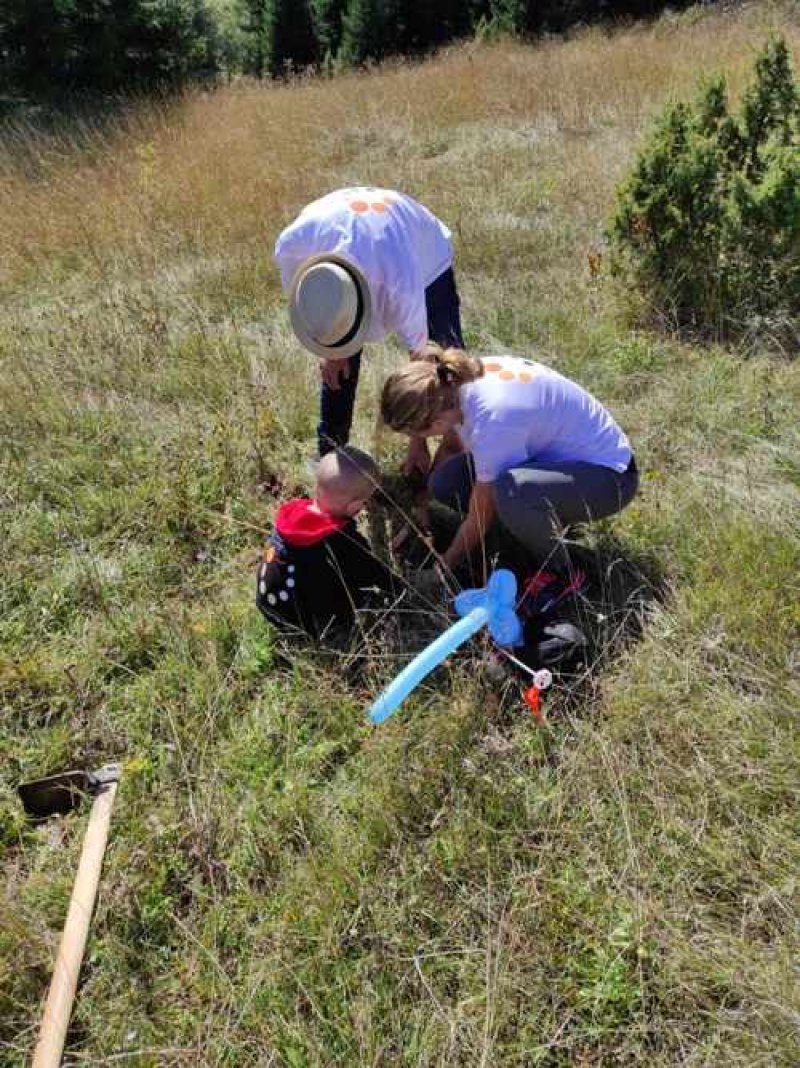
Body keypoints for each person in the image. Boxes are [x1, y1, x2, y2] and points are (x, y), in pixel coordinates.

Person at [380, 346, 639, 577]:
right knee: (445, 482)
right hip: (559, 463)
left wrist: (442, 569)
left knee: (512, 492)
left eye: (417, 434)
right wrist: (422, 507)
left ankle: (561, 572)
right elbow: (450, 447)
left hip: (610, 479)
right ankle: (528, 526)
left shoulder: (493, 420)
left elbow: (480, 515)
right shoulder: (454, 384)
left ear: (434, 423)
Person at [274, 187, 463, 465]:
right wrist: (332, 352)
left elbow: (423, 367)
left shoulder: (400, 287)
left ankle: (454, 447)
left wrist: (418, 441)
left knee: (447, 355)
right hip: (352, 223)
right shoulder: (293, 251)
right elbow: (321, 312)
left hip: (424, 254)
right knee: (337, 368)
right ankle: (331, 454)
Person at [256, 447, 402, 641]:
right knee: (359, 586)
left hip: (268, 605)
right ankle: (330, 631)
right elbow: (375, 574)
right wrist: (400, 590)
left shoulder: (292, 518)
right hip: (305, 621)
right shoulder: (342, 540)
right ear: (355, 506)